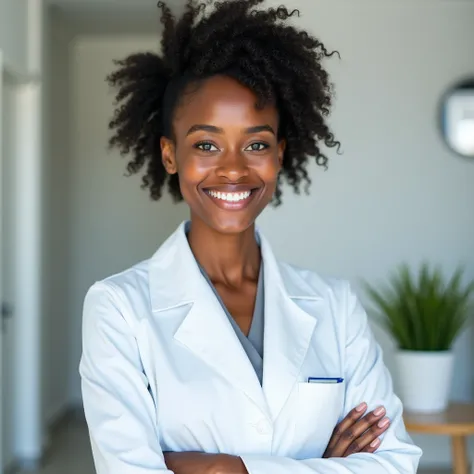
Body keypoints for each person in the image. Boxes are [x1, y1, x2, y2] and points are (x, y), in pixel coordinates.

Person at [79, 1, 422, 473]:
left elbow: (395, 463)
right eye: (206, 144)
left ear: (279, 154)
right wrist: (319, 465)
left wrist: (228, 469)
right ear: (170, 155)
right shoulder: (118, 308)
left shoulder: (335, 306)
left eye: (257, 144)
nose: (235, 168)